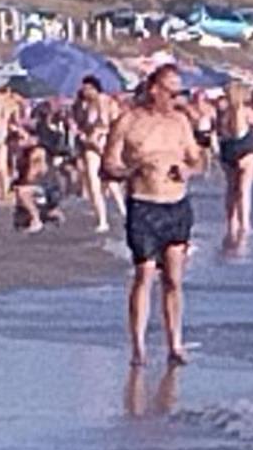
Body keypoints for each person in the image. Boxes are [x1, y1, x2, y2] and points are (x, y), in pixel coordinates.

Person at [102, 65, 203, 366]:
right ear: (154, 89)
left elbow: (197, 160)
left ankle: (175, 343)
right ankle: (139, 347)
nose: (176, 98)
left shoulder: (180, 122)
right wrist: (133, 170)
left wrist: (188, 169)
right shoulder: (128, 121)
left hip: (176, 204)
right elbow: (108, 166)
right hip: (144, 204)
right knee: (144, 273)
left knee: (174, 278)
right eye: (171, 92)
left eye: (179, 92)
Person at [216, 80, 253, 248]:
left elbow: (220, 133)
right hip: (245, 152)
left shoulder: (223, 112)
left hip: (228, 152)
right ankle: (245, 225)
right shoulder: (246, 112)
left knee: (231, 189)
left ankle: (231, 224)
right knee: (244, 190)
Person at [73, 75, 119, 233]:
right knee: (97, 180)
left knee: (102, 180)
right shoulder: (86, 104)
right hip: (90, 143)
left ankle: (109, 216)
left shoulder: (104, 101)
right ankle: (105, 217)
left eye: (87, 88)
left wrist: (96, 133)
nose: (84, 91)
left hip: (102, 141)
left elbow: (110, 122)